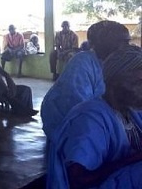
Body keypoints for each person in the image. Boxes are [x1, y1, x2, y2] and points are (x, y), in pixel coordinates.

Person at [47, 45, 142, 189]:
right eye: (139, 83)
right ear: (114, 82)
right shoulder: (89, 118)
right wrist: (135, 159)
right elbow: (79, 178)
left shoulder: (130, 111)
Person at [41, 21, 131, 141]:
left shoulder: (119, 63)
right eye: (122, 42)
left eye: (127, 42)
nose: (127, 47)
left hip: (96, 123)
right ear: (105, 44)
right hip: (67, 128)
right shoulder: (82, 63)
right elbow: (80, 111)